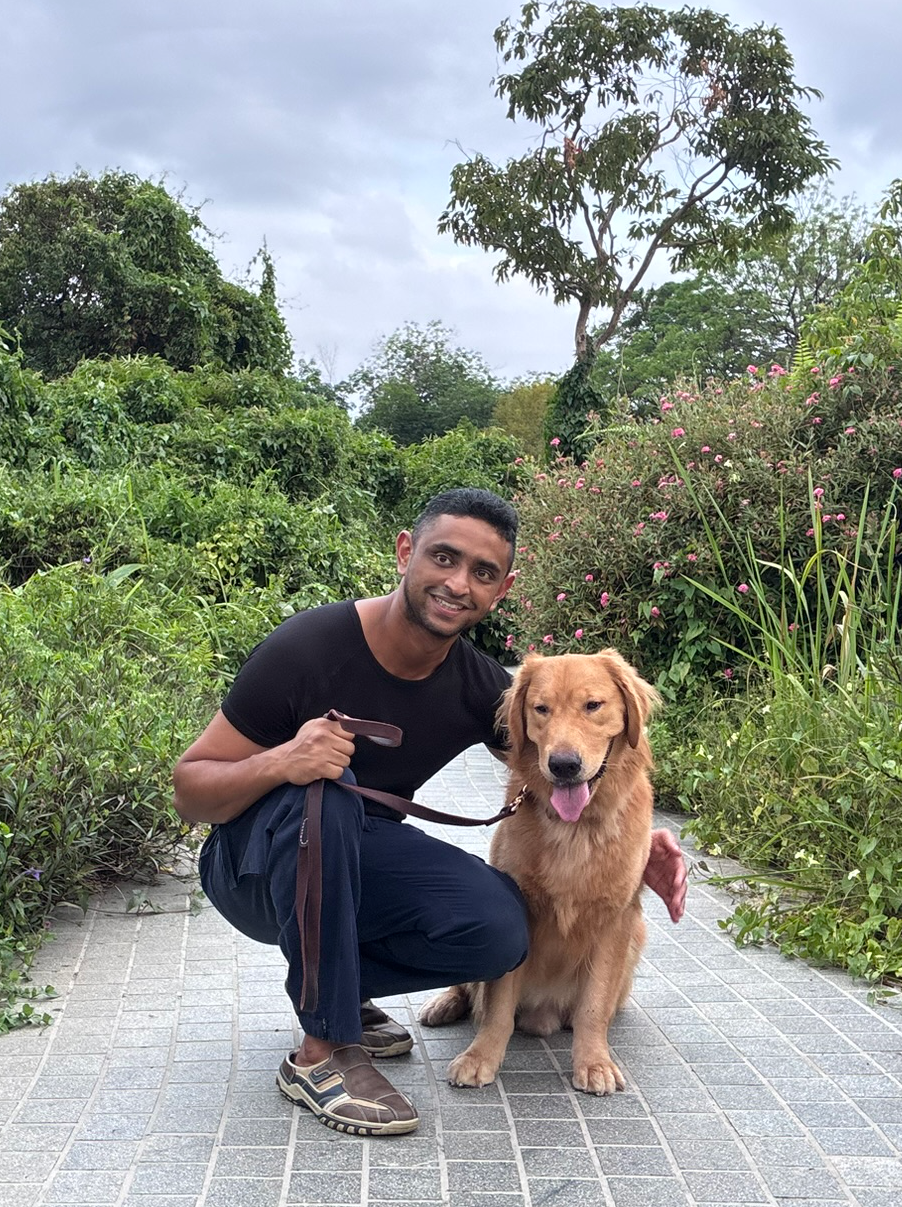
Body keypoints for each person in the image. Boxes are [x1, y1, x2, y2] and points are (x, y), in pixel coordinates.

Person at [172, 487, 688, 1136]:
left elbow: (567, 762)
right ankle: (321, 1053)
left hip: (346, 862)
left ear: (501, 590)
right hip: (248, 869)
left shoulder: (481, 687)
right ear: (406, 552)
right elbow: (190, 789)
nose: (458, 583)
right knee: (328, 795)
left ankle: (334, 988)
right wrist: (284, 761)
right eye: (443, 558)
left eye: (483, 573)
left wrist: (639, 840)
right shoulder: (308, 646)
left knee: (499, 930)